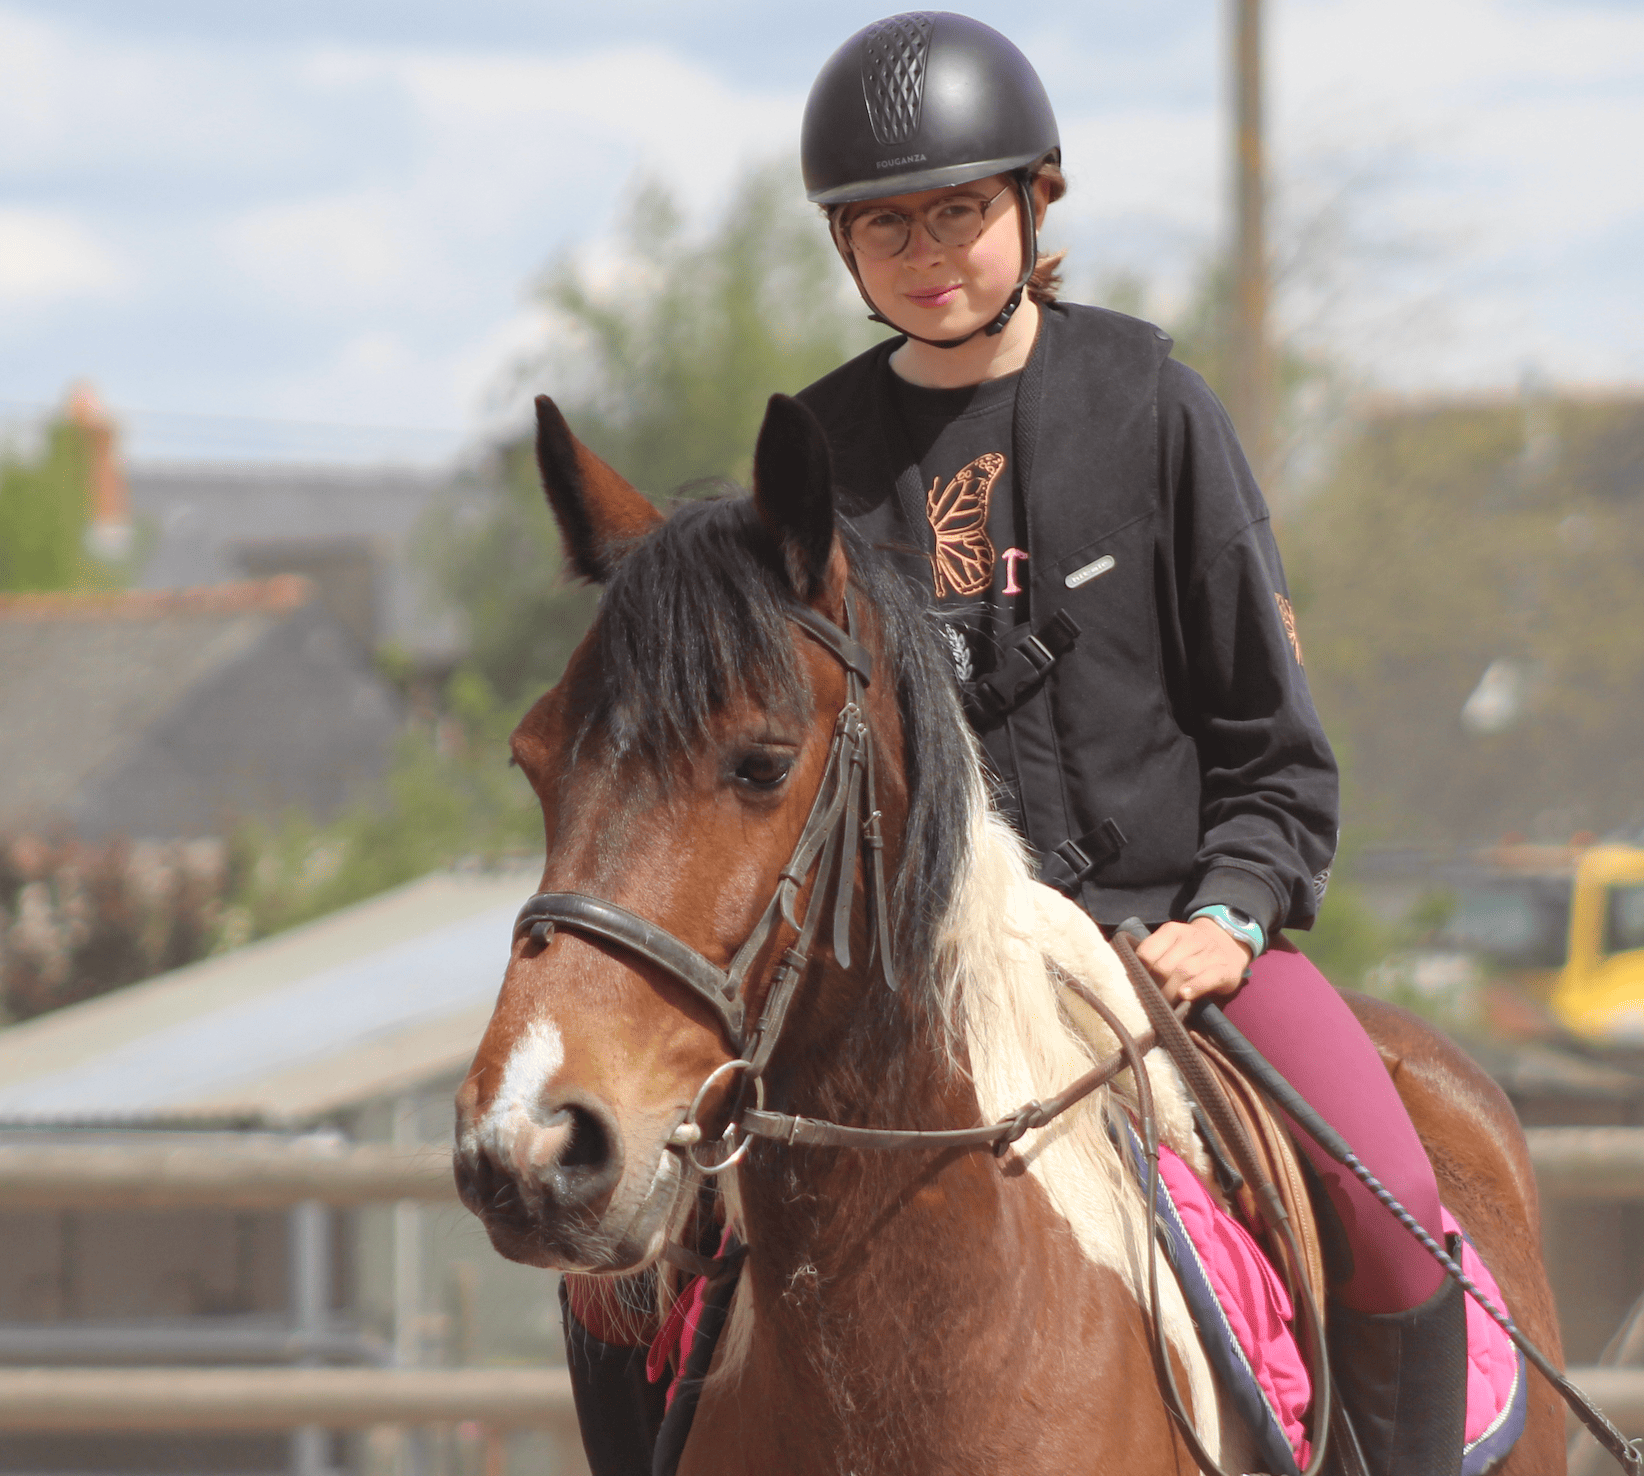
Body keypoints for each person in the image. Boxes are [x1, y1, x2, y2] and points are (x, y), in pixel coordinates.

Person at [563, 14, 1466, 1475]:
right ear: (843, 247)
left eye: (961, 212)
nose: (928, 252)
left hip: (1166, 943)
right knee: (610, 1270)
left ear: (1038, 200)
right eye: (886, 225)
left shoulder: (1157, 411)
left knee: (1398, 1214)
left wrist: (1233, 915)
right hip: (903, 979)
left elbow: (1276, 753)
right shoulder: (812, 462)